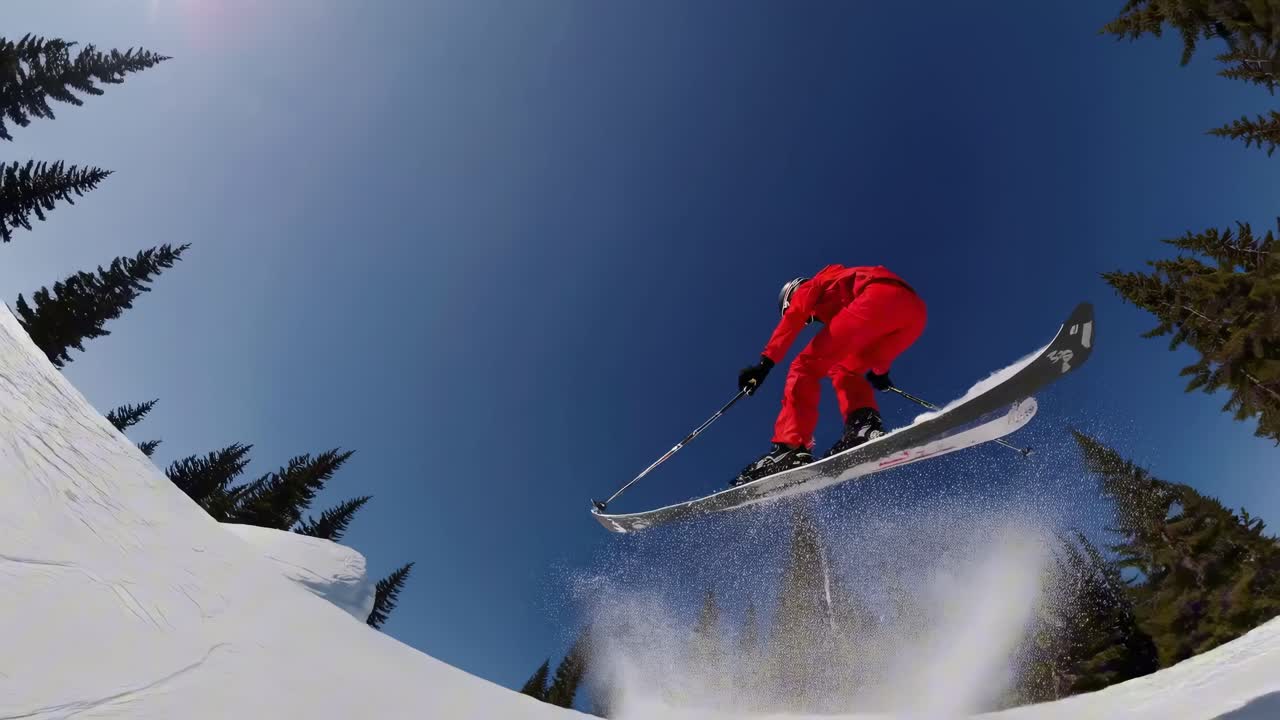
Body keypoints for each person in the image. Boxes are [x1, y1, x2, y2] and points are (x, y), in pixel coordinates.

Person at [732, 264, 927, 486]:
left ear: (791, 295)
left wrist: (764, 364)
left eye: (809, 319)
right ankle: (864, 428)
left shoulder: (811, 286)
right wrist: (880, 373)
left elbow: (794, 317)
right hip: (913, 314)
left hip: (874, 297)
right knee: (844, 369)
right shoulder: (839, 293)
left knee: (803, 366)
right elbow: (871, 346)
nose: (810, 321)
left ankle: (789, 450)